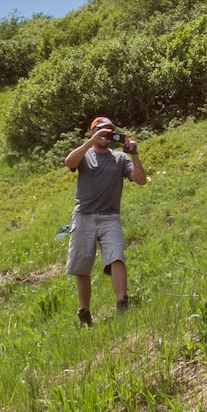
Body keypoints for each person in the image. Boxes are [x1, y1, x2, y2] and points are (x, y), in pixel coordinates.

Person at [63, 117, 146, 326]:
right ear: (92, 132)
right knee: (82, 265)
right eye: (101, 131)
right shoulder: (85, 154)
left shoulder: (119, 158)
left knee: (116, 256)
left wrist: (133, 153)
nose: (105, 135)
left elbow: (140, 179)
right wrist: (90, 142)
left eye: (109, 132)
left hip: (110, 216)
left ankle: (122, 304)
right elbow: (69, 162)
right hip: (84, 216)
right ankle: (84, 314)